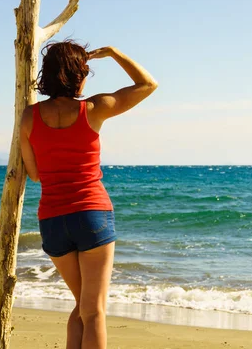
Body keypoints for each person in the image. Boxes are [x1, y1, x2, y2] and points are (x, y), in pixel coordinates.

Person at [19, 41, 158, 349]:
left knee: (82, 305)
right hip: (91, 214)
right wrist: (114, 53)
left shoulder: (28, 117)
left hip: (52, 220)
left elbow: (34, 173)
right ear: (77, 74)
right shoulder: (93, 109)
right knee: (93, 311)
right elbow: (148, 84)